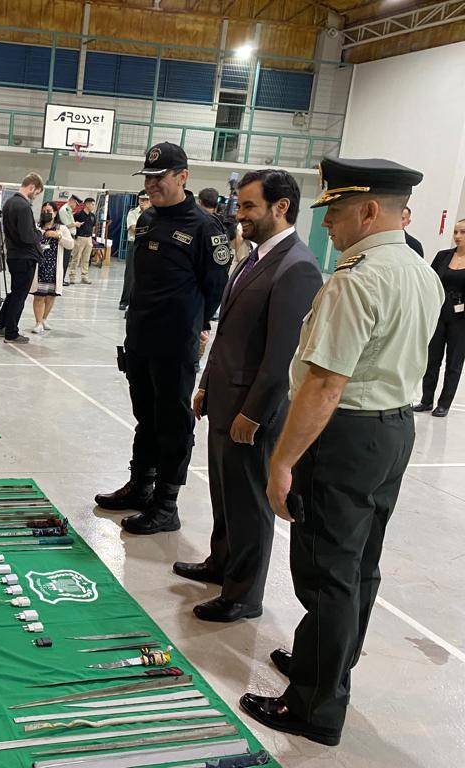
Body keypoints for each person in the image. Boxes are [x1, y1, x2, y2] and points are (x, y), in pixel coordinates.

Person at [241, 158, 443, 746]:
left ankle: (314, 707)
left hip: (346, 435)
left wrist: (282, 462)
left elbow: (326, 385)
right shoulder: (418, 270)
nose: (327, 223)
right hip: (393, 431)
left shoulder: (356, 279)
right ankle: (326, 666)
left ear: (369, 211)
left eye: (335, 211)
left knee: (327, 572)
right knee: (361, 564)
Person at [174, 169, 322, 623]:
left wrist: (254, 414)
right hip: (223, 399)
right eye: (239, 205)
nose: (240, 215)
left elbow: (281, 357)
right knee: (225, 494)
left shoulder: (296, 266)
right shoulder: (256, 256)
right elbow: (229, 331)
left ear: (282, 207)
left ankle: (243, 595)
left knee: (251, 504)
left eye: (250, 206)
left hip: (250, 412)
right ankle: (222, 563)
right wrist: (204, 385)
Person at [95, 143, 230, 533]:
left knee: (173, 422)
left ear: (183, 176)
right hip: (140, 338)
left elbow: (215, 286)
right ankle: (141, 486)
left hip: (175, 343)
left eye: (160, 177)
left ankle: (166, 504)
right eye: (148, 178)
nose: (152, 184)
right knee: (146, 418)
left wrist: (198, 326)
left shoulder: (205, 227)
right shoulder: (148, 219)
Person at [414, 218, 465, 417]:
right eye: (455, 232)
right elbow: (430, 282)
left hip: (461, 320)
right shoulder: (443, 256)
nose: (458, 236)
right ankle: (426, 400)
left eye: (462, 232)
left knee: (454, 363)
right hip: (439, 314)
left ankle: (444, 403)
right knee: (432, 359)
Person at [0, 172, 44, 345]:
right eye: (36, 193)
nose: (35, 197)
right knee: (19, 296)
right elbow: (27, 236)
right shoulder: (23, 206)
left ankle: (0, 327)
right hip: (24, 256)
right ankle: (11, 333)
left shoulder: (9, 203)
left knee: (14, 293)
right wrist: (39, 233)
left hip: (14, 255)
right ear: (31, 187)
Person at [30, 202, 73, 334]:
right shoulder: (36, 226)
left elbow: (70, 245)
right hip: (40, 267)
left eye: (49, 211)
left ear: (55, 213)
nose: (46, 213)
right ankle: (37, 322)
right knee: (39, 296)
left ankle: (43, 319)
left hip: (54, 268)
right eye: (44, 211)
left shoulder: (62, 228)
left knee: (50, 296)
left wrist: (58, 236)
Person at [119, 193, 150, 311]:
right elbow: (133, 228)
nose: (144, 202)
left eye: (146, 200)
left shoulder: (154, 214)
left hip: (148, 246)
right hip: (134, 244)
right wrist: (148, 229)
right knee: (130, 274)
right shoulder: (132, 213)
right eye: (142, 199)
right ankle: (124, 301)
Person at [68, 197, 96, 285]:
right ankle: (72, 277)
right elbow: (72, 225)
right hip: (79, 238)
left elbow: (93, 227)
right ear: (87, 204)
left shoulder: (93, 216)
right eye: (92, 204)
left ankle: (84, 277)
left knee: (86, 259)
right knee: (76, 258)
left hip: (89, 239)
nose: (93, 206)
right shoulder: (78, 215)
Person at [58, 195, 79, 284]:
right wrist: (75, 224)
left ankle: (61, 279)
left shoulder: (69, 210)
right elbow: (66, 225)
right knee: (64, 259)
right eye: (75, 203)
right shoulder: (64, 210)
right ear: (71, 201)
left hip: (70, 236)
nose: (75, 206)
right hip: (67, 235)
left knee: (66, 259)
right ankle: (60, 279)